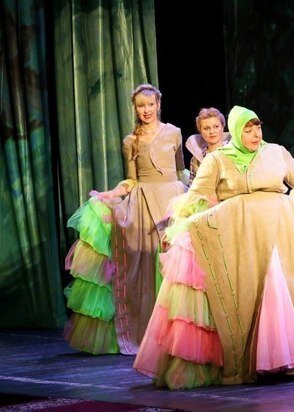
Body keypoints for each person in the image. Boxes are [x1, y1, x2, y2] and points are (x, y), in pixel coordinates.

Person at [133, 105, 294, 389]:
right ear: (236, 132)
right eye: (247, 129)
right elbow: (198, 194)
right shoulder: (219, 159)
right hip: (239, 233)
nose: (255, 134)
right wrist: (180, 222)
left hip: (280, 231)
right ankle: (244, 361)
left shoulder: (276, 152)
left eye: (257, 127)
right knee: (245, 293)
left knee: (284, 284)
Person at [63, 83, 186, 355]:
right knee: (145, 268)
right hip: (143, 204)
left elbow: (180, 171)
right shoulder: (131, 141)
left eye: (150, 104)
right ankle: (149, 333)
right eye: (141, 106)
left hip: (171, 201)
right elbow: (132, 180)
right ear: (136, 108)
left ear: (158, 105)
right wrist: (111, 194)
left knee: (175, 263)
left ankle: (177, 335)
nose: (146, 110)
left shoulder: (174, 132)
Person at [186, 107, 231, 185]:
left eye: (216, 126)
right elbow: (192, 186)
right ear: (200, 131)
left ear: (223, 127)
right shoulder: (196, 160)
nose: (212, 131)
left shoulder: (233, 152)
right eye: (206, 128)